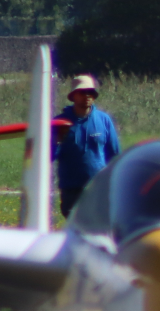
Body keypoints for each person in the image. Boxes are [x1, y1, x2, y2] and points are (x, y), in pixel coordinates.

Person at [52, 73, 121, 217]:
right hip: (71, 189)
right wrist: (57, 141)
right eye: (82, 92)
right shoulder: (59, 122)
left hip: (99, 187)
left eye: (91, 92)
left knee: (100, 228)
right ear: (73, 96)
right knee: (76, 230)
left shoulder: (104, 120)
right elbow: (48, 156)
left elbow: (114, 154)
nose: (87, 96)